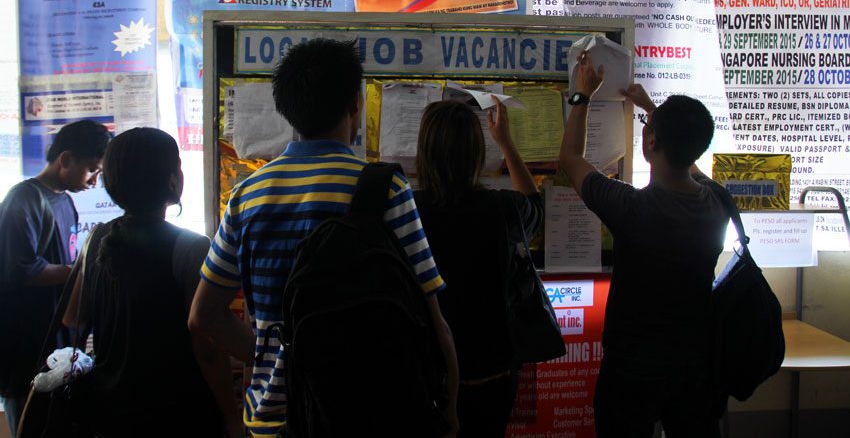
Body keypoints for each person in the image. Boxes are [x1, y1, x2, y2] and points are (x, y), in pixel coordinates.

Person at [189, 37, 459, 438]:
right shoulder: (385, 188)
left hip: (275, 422)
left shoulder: (247, 196)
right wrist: (450, 407)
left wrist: (277, 357)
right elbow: (431, 316)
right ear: (355, 103)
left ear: (287, 109)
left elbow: (203, 316)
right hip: (368, 414)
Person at [558, 51, 726, 438]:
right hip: (696, 364)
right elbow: (692, 162)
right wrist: (652, 112)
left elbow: (569, 158)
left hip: (632, 368)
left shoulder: (633, 208)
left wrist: (582, 96)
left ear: (649, 141)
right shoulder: (719, 202)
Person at [62, 127, 241, 438]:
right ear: (172, 179)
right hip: (177, 414)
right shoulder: (189, 248)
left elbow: (73, 316)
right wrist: (232, 417)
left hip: (109, 413)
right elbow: (207, 351)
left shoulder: (96, 239)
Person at [413, 98, 543, 437]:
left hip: (429, 374)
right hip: (492, 371)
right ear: (476, 152)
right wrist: (506, 142)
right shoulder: (501, 208)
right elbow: (535, 208)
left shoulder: (407, 211)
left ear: (424, 151)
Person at [0, 119, 111, 437]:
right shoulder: (23, 201)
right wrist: (77, 270)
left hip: (55, 345)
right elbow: (19, 269)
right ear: (65, 159)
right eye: (91, 169)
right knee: (30, 423)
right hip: (24, 349)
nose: (94, 180)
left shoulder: (66, 202)